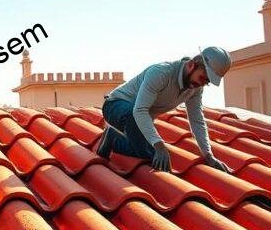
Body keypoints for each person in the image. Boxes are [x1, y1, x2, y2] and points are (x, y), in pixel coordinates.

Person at [96, 46, 233, 173]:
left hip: (138, 121)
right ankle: (116, 137)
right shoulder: (161, 73)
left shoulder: (195, 88)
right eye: (202, 78)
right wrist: (159, 145)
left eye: (206, 82)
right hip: (115, 106)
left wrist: (208, 155)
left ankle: (113, 138)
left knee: (150, 154)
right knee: (156, 151)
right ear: (191, 65)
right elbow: (140, 110)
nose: (201, 84)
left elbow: (197, 121)